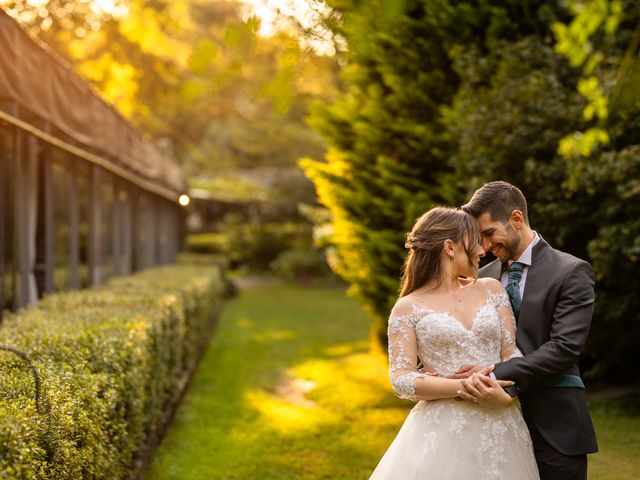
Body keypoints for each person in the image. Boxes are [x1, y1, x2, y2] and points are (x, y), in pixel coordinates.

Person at [369, 206, 539, 480]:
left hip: (501, 422)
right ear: (450, 247)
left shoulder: (491, 290)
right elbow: (400, 378)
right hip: (442, 431)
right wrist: (462, 387)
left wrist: (506, 392)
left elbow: (512, 353)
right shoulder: (407, 308)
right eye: (474, 241)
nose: (482, 250)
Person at [455, 181, 597, 480]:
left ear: (516, 219)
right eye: (479, 238)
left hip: (555, 423)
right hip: (491, 425)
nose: (484, 247)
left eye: (489, 233)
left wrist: (495, 374)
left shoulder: (571, 271)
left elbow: (564, 348)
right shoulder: (481, 278)